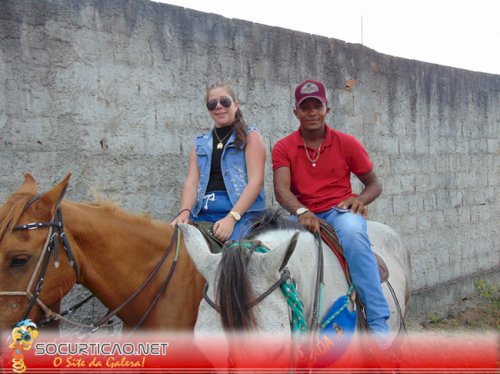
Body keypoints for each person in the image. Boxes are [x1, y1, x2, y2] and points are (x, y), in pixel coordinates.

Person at [272, 79, 390, 340]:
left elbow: (374, 184)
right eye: (306, 107)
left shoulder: (347, 143)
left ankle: (377, 317)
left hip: (338, 211)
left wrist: (360, 199)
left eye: (318, 106)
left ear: (328, 109)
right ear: (296, 112)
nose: (312, 112)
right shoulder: (284, 147)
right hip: (303, 214)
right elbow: (282, 190)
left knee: (353, 234)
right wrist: (302, 212)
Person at [171, 83, 266, 242]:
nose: (219, 107)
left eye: (225, 101)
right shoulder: (199, 144)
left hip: (242, 215)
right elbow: (192, 182)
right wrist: (184, 212)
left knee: (232, 255)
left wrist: (232, 218)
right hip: (204, 213)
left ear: (235, 105)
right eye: (212, 104)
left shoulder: (252, 137)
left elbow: (256, 182)